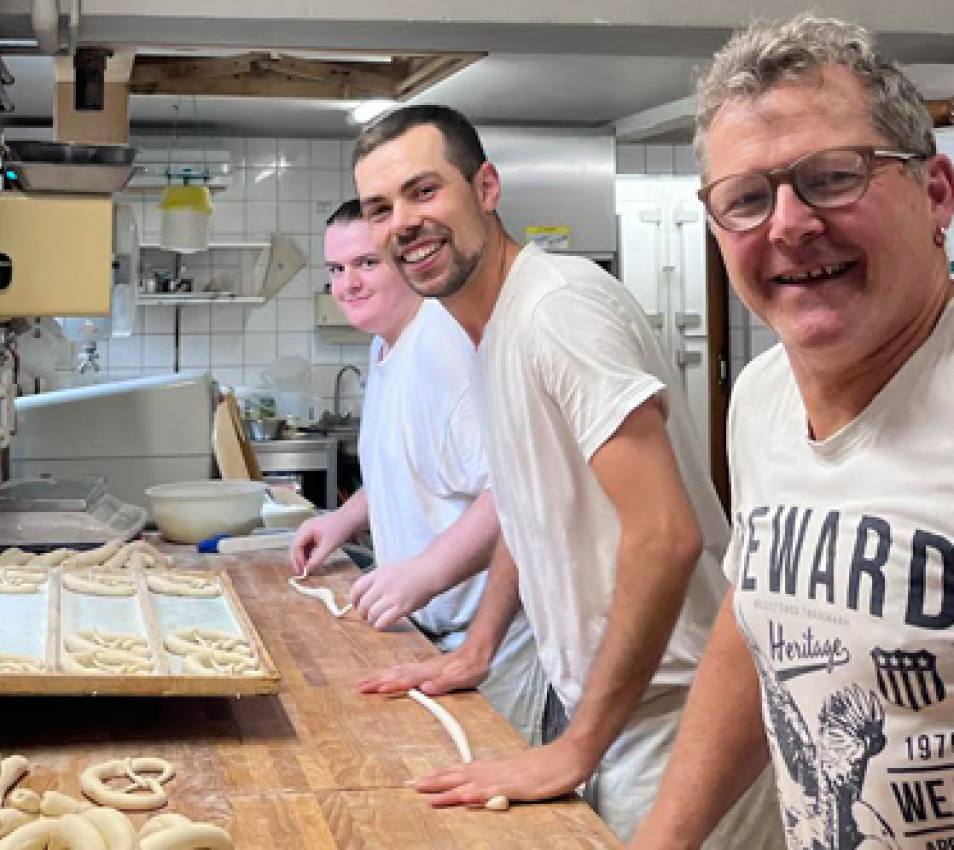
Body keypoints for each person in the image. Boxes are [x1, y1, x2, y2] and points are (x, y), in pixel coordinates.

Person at [349, 104, 780, 845]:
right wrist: (479, 648)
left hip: (677, 721)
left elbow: (665, 536)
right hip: (612, 714)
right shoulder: (491, 332)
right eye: (379, 209)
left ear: (485, 187)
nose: (402, 224)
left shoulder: (557, 306)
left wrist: (578, 745)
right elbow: (527, 504)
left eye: (425, 192)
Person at [633, 16, 954, 850]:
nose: (788, 225)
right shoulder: (764, 397)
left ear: (936, 195)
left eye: (833, 176)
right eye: (746, 198)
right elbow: (760, 624)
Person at [290, 199, 546, 745]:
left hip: (484, 641)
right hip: (429, 632)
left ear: (406, 261)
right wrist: (344, 519)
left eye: (366, 263)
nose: (347, 284)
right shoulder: (390, 343)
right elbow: (412, 465)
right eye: (335, 270)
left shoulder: (441, 347)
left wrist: (425, 571)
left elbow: (514, 490)